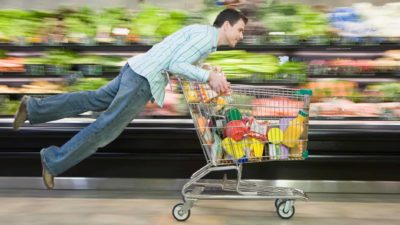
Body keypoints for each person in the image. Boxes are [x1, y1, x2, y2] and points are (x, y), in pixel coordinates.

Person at [12, 8, 248, 189]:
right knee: (105, 129)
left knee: (93, 100)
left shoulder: (201, 33)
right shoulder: (205, 39)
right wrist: (207, 76)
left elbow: (180, 60)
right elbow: (176, 64)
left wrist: (208, 72)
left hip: (136, 69)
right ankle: (52, 162)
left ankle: (33, 108)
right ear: (226, 25)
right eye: (239, 29)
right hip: (142, 81)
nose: (241, 35)